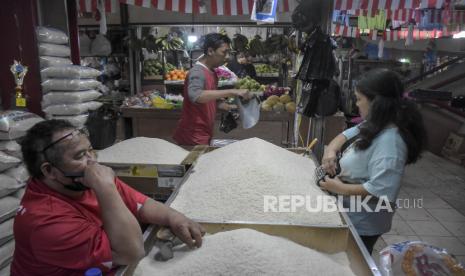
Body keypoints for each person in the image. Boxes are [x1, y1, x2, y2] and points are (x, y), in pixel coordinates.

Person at [12, 120, 205, 275]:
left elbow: (141, 204)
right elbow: (131, 252)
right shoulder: (45, 222)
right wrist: (106, 188)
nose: (92, 161)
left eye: (91, 150)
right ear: (50, 171)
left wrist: (174, 217)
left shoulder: (79, 180)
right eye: (80, 156)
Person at [319, 69, 427, 254]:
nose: (356, 103)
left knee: (352, 261)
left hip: (363, 222)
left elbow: (381, 190)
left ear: (376, 102)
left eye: (359, 99)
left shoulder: (390, 142)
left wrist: (338, 188)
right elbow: (345, 135)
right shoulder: (376, 123)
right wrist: (330, 151)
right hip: (348, 210)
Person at [173, 33, 251, 146]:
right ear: (210, 51)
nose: (228, 56)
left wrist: (231, 107)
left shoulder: (212, 72)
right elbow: (196, 95)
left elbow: (209, 100)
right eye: (224, 52)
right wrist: (232, 92)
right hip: (192, 135)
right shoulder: (197, 72)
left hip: (205, 132)